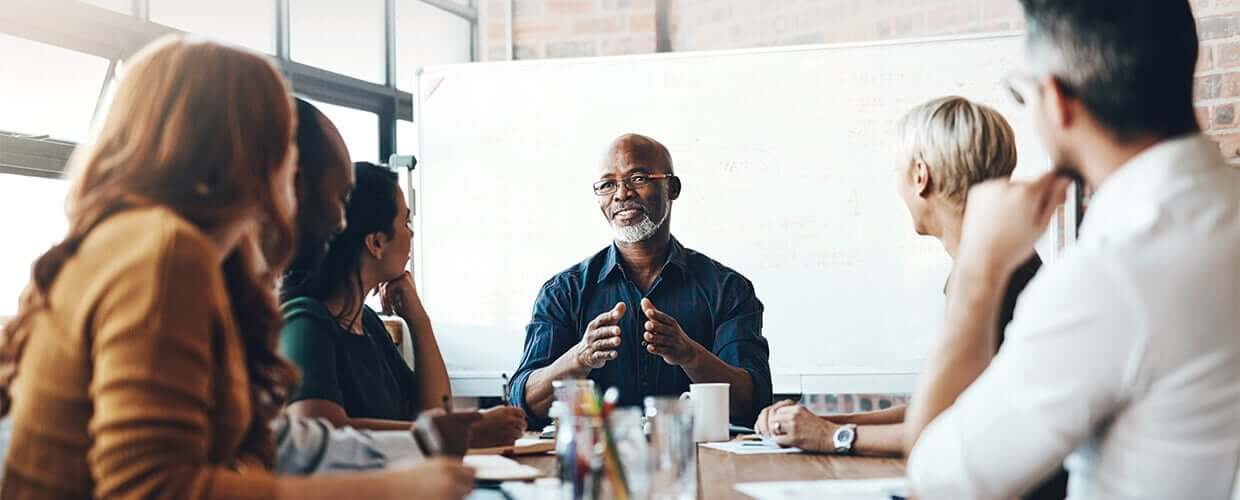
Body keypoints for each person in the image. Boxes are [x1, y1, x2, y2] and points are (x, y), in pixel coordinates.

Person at [0, 36, 473, 499]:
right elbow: (152, 487)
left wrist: (413, 450)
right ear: (245, 150)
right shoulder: (165, 253)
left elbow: (255, 443)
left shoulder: (129, 245)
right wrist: (387, 490)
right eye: (281, 145)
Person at [903, 1, 1240, 498]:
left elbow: (937, 480)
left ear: (1057, 99)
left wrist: (980, 268)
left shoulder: (1110, 271)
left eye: (1025, 92)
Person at [753, 96, 1067, 499]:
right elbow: (936, 404)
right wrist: (824, 420)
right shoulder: (995, 268)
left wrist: (832, 436)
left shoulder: (991, 281)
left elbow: (944, 427)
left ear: (921, 175)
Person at [509, 133, 773, 426]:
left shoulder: (728, 290)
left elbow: (753, 403)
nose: (622, 194)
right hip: (597, 463)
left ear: (672, 188)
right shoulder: (563, 292)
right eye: (608, 185)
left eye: (638, 178)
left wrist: (689, 354)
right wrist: (579, 358)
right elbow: (523, 403)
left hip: (697, 463)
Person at [279, 162, 525, 446]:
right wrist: (466, 432)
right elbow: (315, 432)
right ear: (376, 243)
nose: (411, 234)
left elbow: (433, 413)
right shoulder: (305, 322)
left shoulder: (367, 323)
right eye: (406, 222)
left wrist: (419, 322)